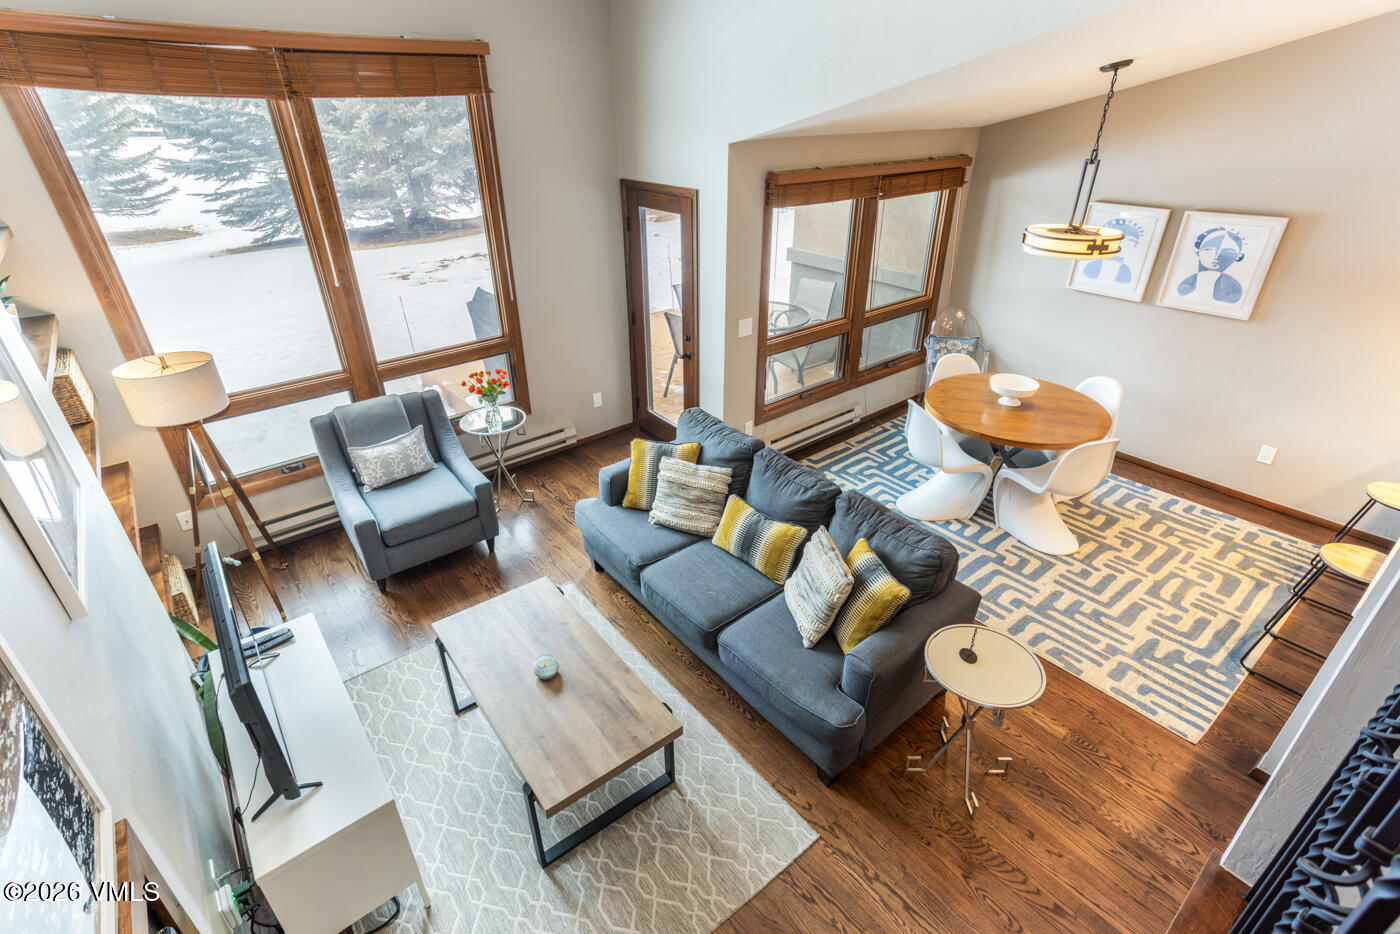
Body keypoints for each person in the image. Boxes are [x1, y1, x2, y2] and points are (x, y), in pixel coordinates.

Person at [1175, 226, 1245, 304]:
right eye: (1208, 249)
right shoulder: (1187, 281)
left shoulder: (1232, 288)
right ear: (1198, 252)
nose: (1216, 256)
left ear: (1238, 257)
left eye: (1227, 252)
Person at [1081, 217, 1143, 284]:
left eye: (1130, 242)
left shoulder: (1125, 270)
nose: (1121, 245)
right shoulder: (1092, 266)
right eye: (1118, 241)